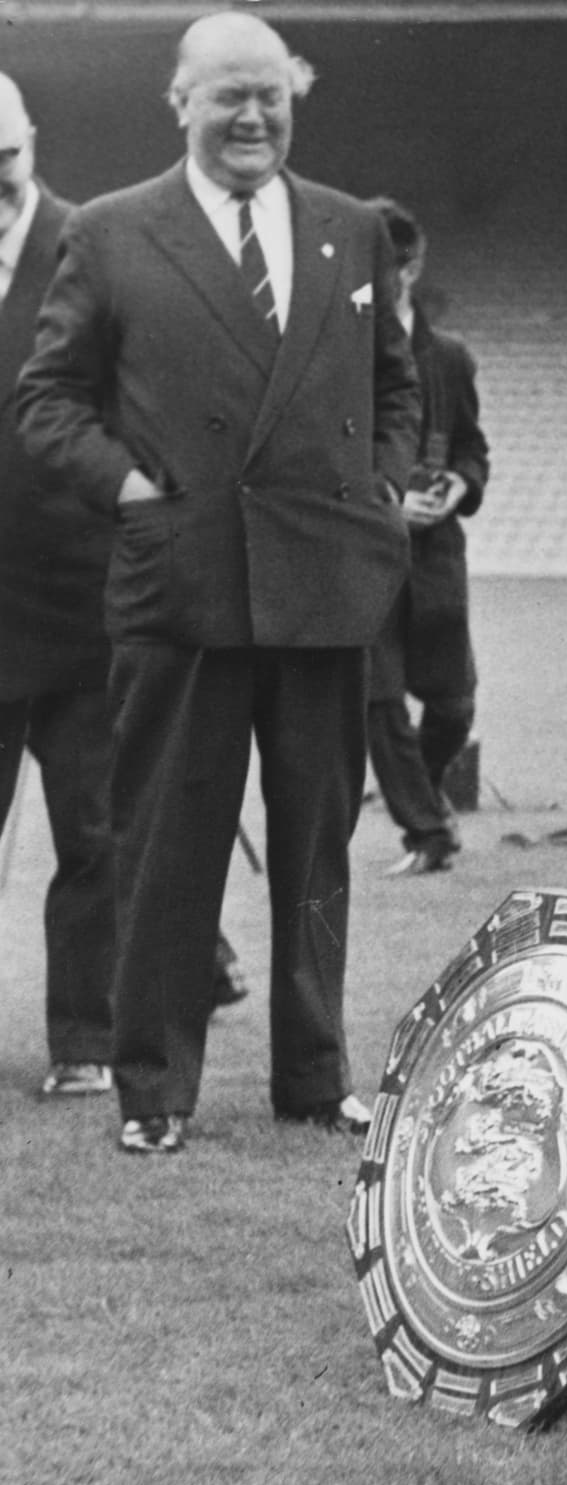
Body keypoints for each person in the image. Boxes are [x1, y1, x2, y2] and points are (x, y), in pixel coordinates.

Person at [15, 13, 419, 1154]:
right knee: (164, 846)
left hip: (322, 583)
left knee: (316, 845)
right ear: (178, 102)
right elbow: (47, 399)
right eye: (226, 97)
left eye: (271, 98)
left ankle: (314, 1073)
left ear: (294, 101)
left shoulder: (350, 229)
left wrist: (385, 490)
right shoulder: (106, 232)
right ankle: (154, 1090)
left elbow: (396, 386)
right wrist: (130, 489)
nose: (251, 119)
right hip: (179, 589)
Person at [0, 73, 115, 1101]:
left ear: (30, 146)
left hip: (83, 600)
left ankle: (85, 1040)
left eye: (5, 161)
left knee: (95, 831)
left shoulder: (93, 244)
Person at [363, 196, 488, 878]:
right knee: (376, 697)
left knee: (452, 703)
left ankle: (426, 792)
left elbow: (473, 450)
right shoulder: (332, 353)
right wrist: (383, 497)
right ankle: (427, 832)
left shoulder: (450, 358)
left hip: (435, 555)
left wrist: (458, 489)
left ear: (409, 271)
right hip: (363, 549)